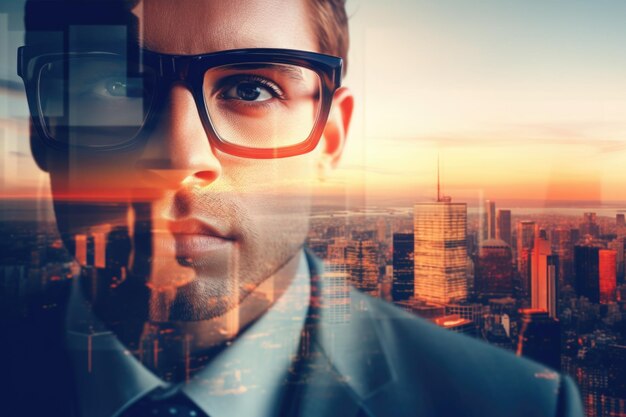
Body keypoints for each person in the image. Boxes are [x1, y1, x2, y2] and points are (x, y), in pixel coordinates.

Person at [2, 0, 584, 416]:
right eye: (112, 86)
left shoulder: (517, 405)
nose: (180, 157)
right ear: (42, 127)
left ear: (329, 138)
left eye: (251, 88)